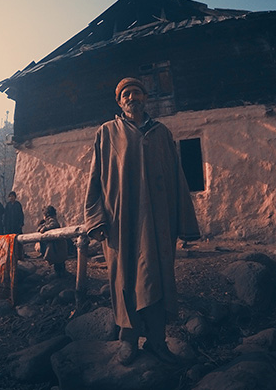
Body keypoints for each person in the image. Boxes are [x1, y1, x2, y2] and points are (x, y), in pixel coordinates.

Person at [84, 77, 200, 366]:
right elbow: (94, 180)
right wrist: (95, 218)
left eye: (136, 91)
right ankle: (128, 339)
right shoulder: (107, 133)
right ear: (119, 101)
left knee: (158, 276)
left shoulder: (162, 134)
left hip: (159, 221)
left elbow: (178, 177)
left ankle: (158, 341)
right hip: (120, 222)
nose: (131, 96)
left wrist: (185, 222)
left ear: (145, 97)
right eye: (125, 93)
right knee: (124, 278)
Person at [36, 205, 68, 277]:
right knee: (58, 261)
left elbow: (54, 225)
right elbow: (40, 227)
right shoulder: (47, 221)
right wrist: (42, 227)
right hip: (57, 245)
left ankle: (60, 274)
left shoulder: (52, 220)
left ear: (46, 215)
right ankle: (60, 273)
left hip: (58, 245)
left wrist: (45, 228)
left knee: (59, 261)